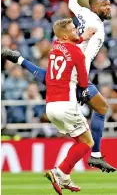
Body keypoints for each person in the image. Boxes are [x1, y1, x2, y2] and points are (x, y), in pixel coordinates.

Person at [2, 13, 116, 173]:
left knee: (49, 78)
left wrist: (83, 36)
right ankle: (88, 158)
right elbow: (80, 68)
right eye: (73, 29)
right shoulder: (81, 40)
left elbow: (73, 40)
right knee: (101, 111)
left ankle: (21, 60)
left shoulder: (56, 45)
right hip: (73, 86)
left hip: (57, 97)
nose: (76, 30)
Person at [68, 0, 116, 171]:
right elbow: (85, 58)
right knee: (98, 110)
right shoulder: (98, 29)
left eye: (109, 4)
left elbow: (72, 5)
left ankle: (95, 155)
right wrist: (82, 85)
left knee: (102, 107)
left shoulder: (84, 12)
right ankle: (92, 156)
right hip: (75, 74)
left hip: (68, 66)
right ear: (94, 7)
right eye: (104, 5)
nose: (108, 7)